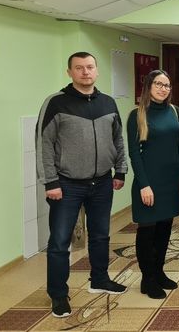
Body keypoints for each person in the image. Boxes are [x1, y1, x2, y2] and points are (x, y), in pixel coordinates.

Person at [36, 52, 128, 318]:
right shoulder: (56, 102)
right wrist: (50, 181)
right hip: (66, 184)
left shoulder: (108, 102)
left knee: (100, 235)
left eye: (89, 67)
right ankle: (58, 294)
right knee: (60, 241)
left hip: (102, 182)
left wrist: (120, 170)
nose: (85, 72)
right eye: (79, 68)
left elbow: (118, 139)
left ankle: (99, 279)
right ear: (70, 72)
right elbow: (43, 144)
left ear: (97, 71)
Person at [127, 70, 179, 299]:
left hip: (170, 181)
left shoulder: (174, 111)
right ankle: (148, 278)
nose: (163, 89)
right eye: (158, 84)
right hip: (148, 182)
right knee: (147, 231)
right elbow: (134, 154)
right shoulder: (137, 114)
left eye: (167, 85)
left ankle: (159, 272)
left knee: (164, 228)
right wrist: (144, 185)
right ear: (148, 86)